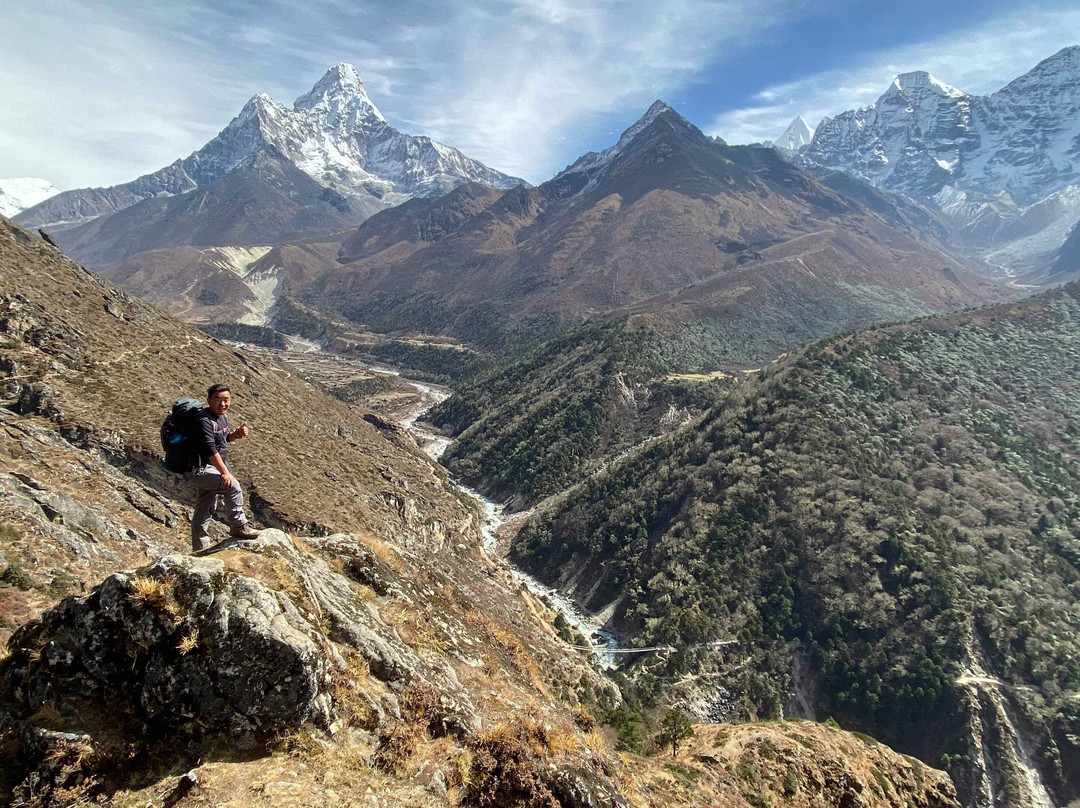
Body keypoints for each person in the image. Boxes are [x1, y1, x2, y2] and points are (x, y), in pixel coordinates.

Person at [186, 383, 261, 551]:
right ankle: (238, 526)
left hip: (207, 467)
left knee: (205, 507)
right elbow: (209, 449)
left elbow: (220, 440)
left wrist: (235, 435)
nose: (223, 404)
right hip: (200, 469)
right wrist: (225, 473)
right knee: (232, 486)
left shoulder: (221, 417)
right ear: (209, 400)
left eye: (226, 400)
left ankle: (199, 549)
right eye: (217, 399)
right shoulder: (203, 420)